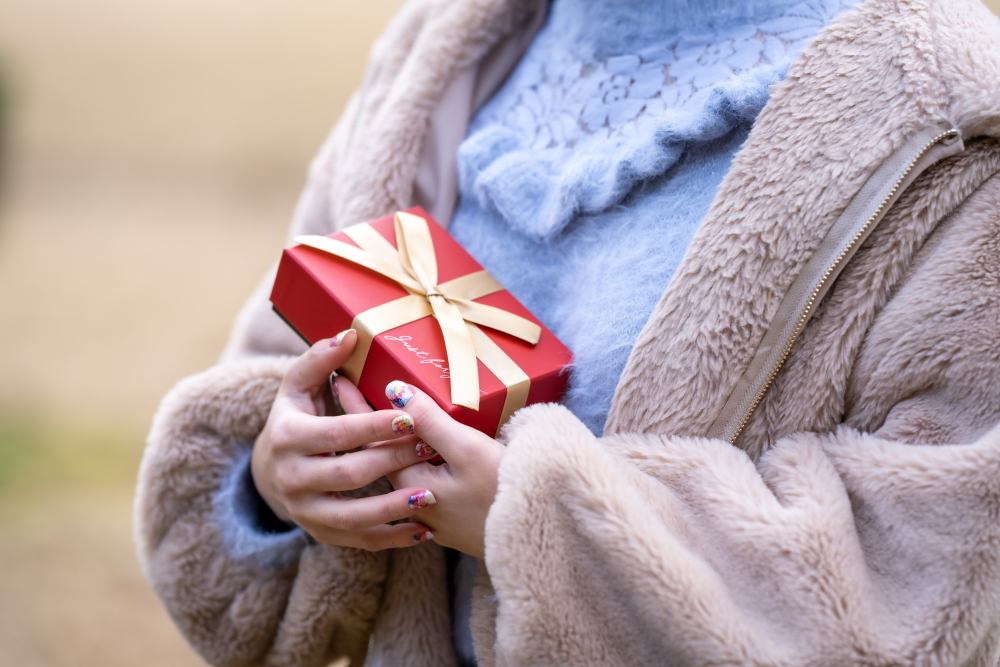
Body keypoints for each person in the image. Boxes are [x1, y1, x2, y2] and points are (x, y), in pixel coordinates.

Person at [135, 0, 1000, 664]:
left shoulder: (952, 119)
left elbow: (923, 579)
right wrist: (277, 482)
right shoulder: (450, 46)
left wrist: (545, 520)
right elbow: (278, 365)